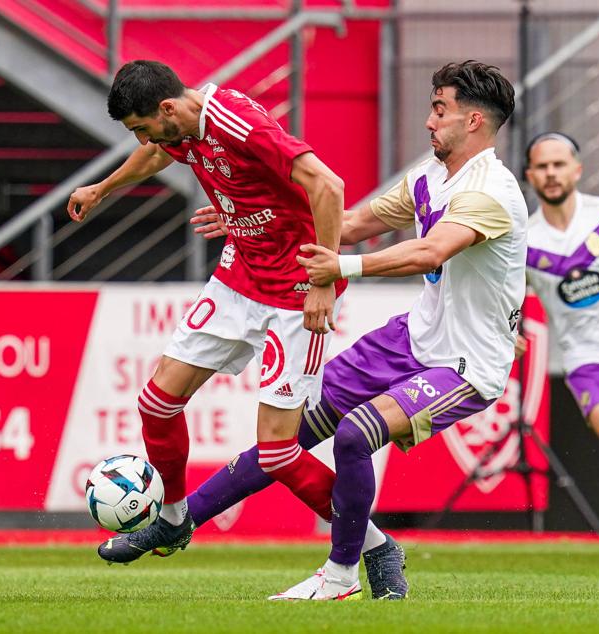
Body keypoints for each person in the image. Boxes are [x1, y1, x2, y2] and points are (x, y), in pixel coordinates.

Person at [175, 59, 525, 601]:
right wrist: (261, 215)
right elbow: (358, 222)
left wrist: (343, 267)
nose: (429, 122)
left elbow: (430, 249)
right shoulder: (430, 177)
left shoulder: (493, 191)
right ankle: (178, 522)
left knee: (354, 435)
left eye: (440, 110)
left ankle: (340, 576)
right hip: (410, 337)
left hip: (464, 364)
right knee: (285, 439)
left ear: (474, 121)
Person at [67, 60, 354, 564]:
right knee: (156, 403)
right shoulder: (178, 128)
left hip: (295, 287)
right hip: (239, 274)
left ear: (167, 107)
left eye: (141, 127)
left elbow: (327, 185)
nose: (141, 139)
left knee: (277, 453)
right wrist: (101, 189)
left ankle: (373, 545)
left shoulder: (237, 122)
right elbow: (157, 152)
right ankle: (174, 519)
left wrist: (323, 280)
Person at [524, 132, 599, 468]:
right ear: (530, 175)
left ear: (577, 170)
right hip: (587, 363)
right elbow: (498, 300)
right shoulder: (523, 241)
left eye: (559, 164)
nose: (551, 173)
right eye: (542, 166)